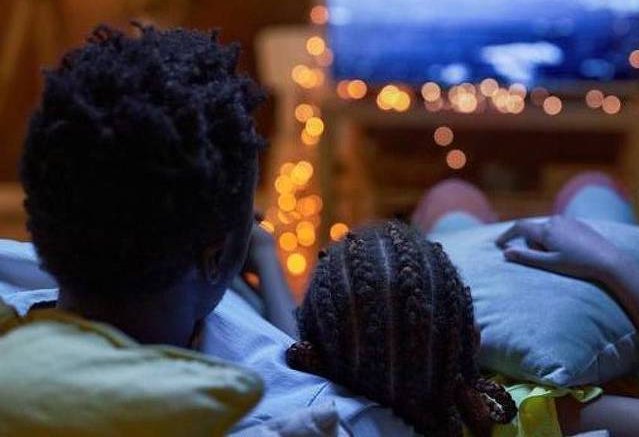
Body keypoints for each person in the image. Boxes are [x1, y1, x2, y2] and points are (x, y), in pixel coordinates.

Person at [1, 24, 415, 435]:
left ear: (41, 224)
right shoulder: (299, 410)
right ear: (215, 257)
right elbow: (296, 371)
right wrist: (266, 256)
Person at [287, 177, 639, 437]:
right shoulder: (523, 415)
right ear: (474, 335)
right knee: (592, 190)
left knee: (450, 199)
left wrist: (267, 258)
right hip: (630, 355)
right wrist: (613, 265)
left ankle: (470, 216)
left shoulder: (326, 395)